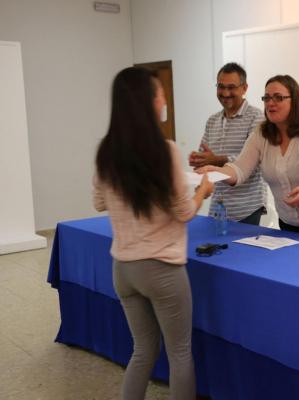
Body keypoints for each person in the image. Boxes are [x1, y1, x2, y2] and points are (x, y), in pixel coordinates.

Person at [93, 67, 214, 400]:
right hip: (161, 268)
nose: (164, 100)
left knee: (142, 350)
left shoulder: (106, 151)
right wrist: (202, 191)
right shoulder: (166, 150)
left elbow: (99, 202)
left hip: (123, 268)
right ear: (147, 101)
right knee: (179, 353)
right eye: (160, 93)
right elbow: (184, 212)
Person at [198, 74, 299, 240]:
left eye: (278, 98)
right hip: (289, 222)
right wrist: (216, 172)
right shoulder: (261, 134)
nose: (270, 103)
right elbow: (240, 169)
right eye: (267, 98)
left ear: (294, 101)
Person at [189, 62, 266, 224]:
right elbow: (206, 159)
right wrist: (198, 161)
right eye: (221, 87)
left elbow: (252, 161)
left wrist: (214, 160)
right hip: (218, 207)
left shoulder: (256, 117)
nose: (225, 93)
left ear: (244, 88)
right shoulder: (213, 120)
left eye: (231, 87)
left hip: (246, 208)